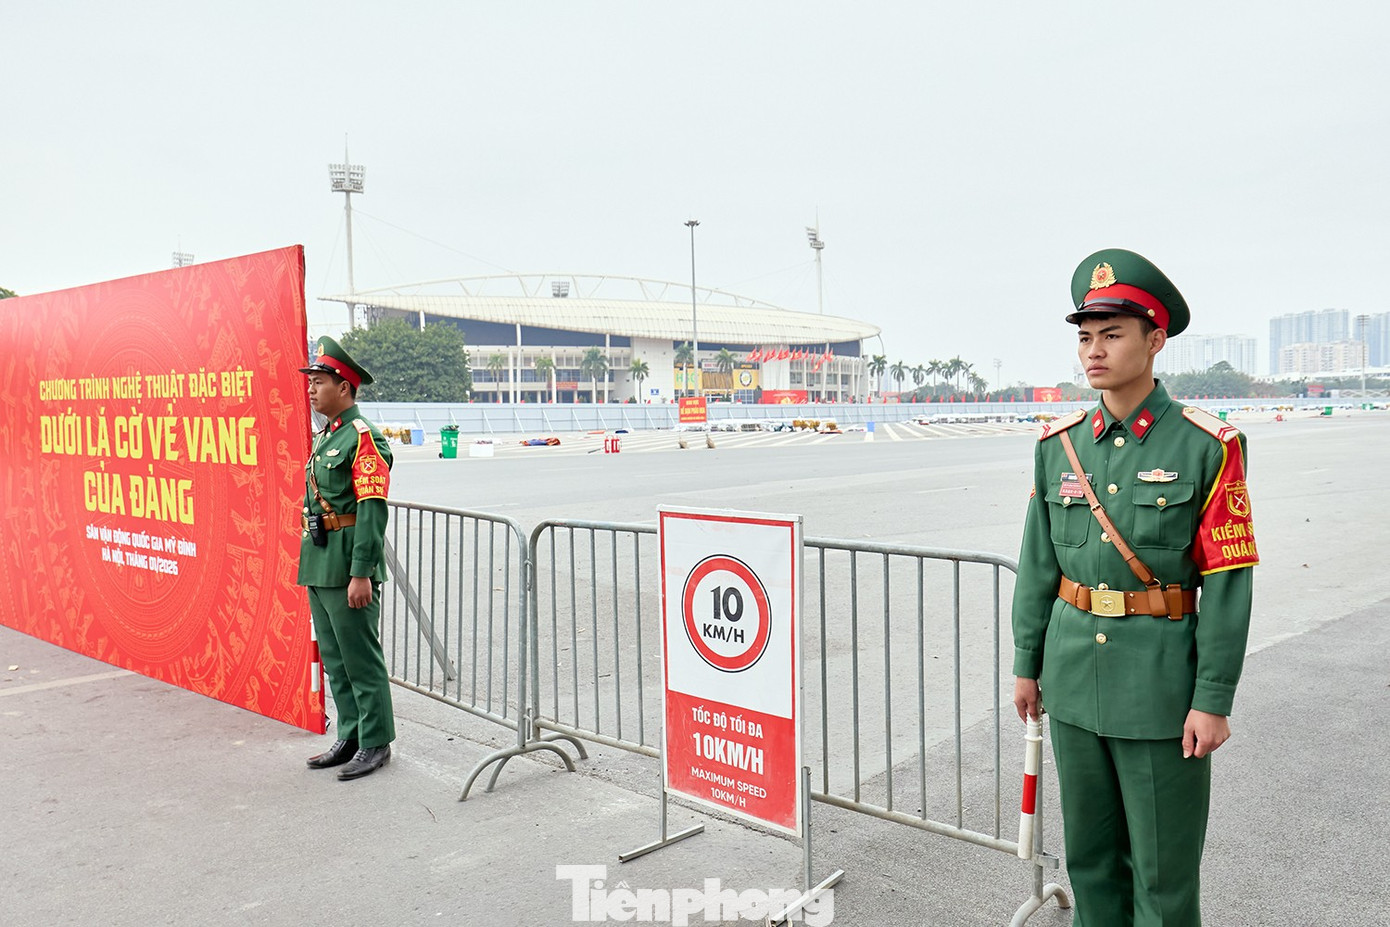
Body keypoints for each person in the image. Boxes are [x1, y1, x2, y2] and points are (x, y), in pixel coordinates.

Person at [1011, 249, 1258, 925]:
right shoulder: (1058, 445)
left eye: (1112, 334)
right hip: (1072, 679)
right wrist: (1027, 663)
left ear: (1155, 341)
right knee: (1091, 862)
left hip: (1159, 691)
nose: (1093, 350)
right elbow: (1039, 563)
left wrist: (1212, 698)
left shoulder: (1207, 446)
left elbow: (1228, 583)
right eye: (1086, 337)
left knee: (1161, 875)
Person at [298, 336, 396, 781]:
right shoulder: (328, 436)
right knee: (336, 659)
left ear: (344, 387)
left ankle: (376, 741)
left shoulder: (363, 438)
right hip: (320, 561)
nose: (311, 389)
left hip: (347, 565)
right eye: (311, 382)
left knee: (360, 658)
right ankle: (351, 735)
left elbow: (371, 511)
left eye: (319, 382)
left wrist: (361, 573)